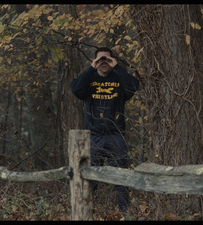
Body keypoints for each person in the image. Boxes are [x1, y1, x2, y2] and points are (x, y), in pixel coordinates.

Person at [70, 47, 139, 213]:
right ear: (94, 62)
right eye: (100, 60)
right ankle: (86, 213)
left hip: (116, 135)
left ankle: (125, 214)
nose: (103, 63)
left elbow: (133, 86)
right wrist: (90, 69)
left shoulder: (119, 79)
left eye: (107, 59)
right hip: (94, 137)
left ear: (113, 61)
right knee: (90, 179)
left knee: (121, 179)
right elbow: (75, 89)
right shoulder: (89, 80)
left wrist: (118, 67)